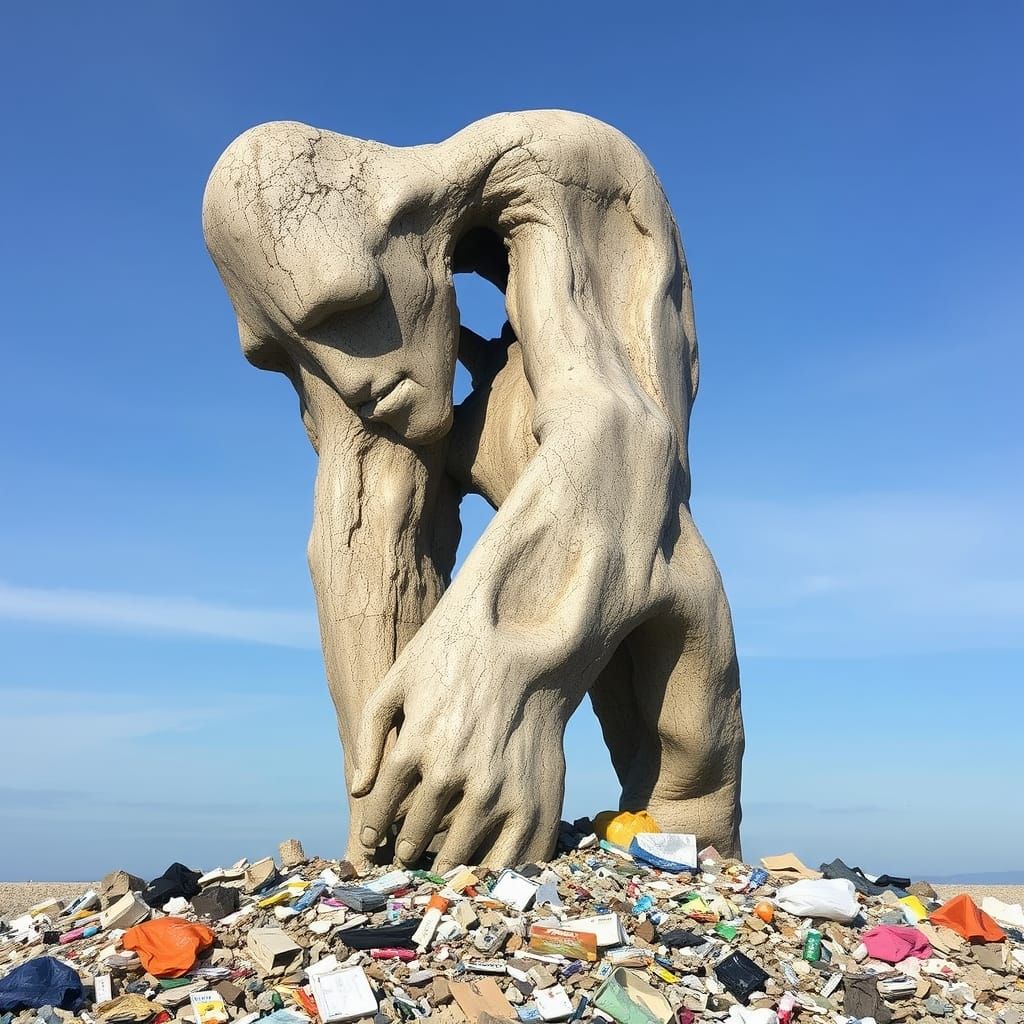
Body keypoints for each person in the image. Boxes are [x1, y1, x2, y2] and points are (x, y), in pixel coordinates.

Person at [203, 110, 744, 870]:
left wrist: (502, 671)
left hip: (577, 433)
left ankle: (683, 826)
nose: (347, 375)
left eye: (347, 312)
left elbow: (626, 448)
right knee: (375, 475)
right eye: (294, 351)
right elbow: (361, 531)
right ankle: (412, 837)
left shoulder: (554, 165)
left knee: (616, 498)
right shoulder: (377, 402)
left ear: (408, 228)